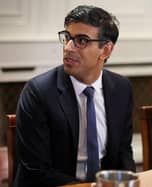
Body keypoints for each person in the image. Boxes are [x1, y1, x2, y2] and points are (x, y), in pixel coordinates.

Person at [15, 5, 135, 186]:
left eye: (82, 40)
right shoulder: (39, 92)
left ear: (106, 50)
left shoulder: (121, 89)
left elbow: (123, 153)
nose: (68, 47)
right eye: (67, 38)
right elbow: (36, 170)